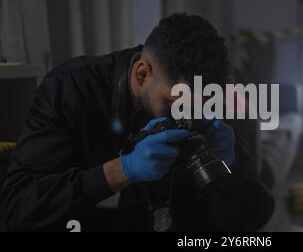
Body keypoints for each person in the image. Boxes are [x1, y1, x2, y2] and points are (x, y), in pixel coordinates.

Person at [0, 13, 273, 231]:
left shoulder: (202, 94)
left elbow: (253, 207)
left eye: (197, 108)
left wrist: (231, 163)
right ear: (143, 75)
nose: (184, 116)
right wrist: (121, 171)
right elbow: (16, 208)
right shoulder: (71, 87)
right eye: (175, 104)